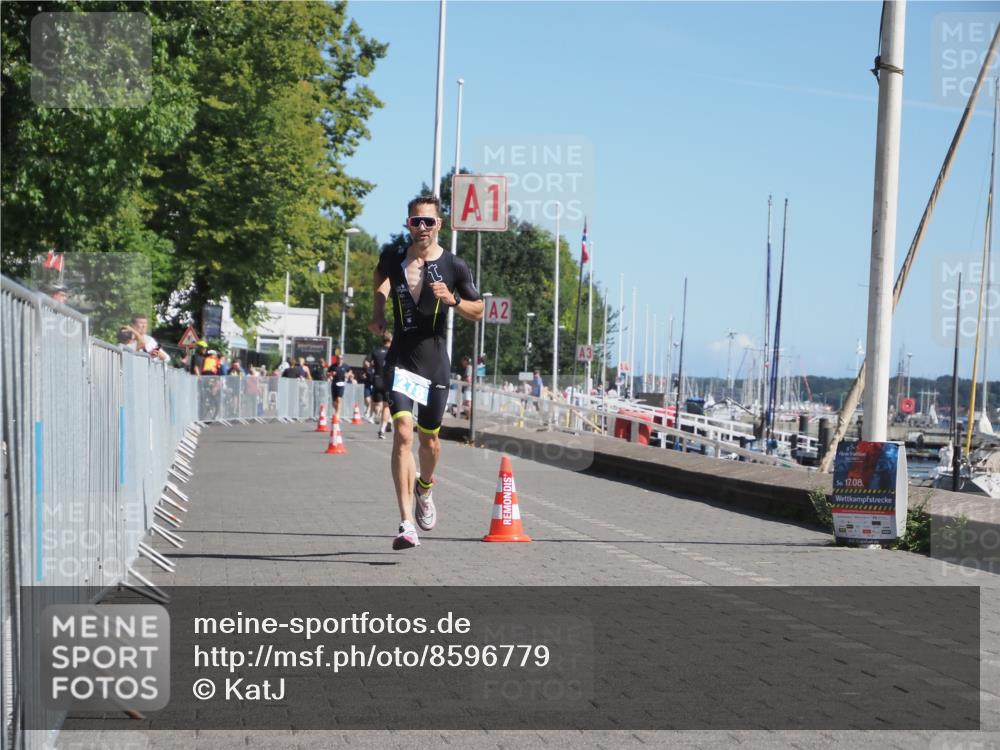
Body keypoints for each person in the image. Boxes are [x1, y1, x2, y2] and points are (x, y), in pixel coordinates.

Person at [368, 193, 484, 550]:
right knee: (403, 433)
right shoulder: (393, 257)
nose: (422, 227)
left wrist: (453, 301)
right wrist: (378, 311)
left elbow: (479, 309)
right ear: (408, 223)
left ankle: (425, 488)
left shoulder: (454, 266)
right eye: (416, 221)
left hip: (434, 362)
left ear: (439, 225)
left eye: (428, 221)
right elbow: (379, 278)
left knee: (428, 440)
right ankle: (405, 523)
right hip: (401, 357)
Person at [369, 332, 393, 437]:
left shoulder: (376, 351)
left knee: (377, 404)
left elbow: (369, 364)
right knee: (386, 406)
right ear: (391, 340)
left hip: (377, 379)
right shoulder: (393, 351)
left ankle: (377, 415)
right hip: (388, 381)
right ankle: (382, 429)